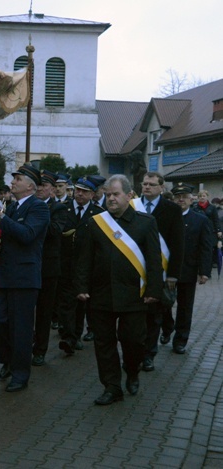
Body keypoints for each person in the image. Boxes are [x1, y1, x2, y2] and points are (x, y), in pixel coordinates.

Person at [75, 175, 163, 405]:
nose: (111, 199)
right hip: (101, 294)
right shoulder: (96, 223)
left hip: (135, 295)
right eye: (108, 194)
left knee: (134, 341)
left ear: (129, 195)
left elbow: (154, 260)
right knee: (104, 343)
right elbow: (84, 259)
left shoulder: (146, 222)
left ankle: (132, 370)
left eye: (115, 194)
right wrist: (82, 287)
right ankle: (112, 387)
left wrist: (154, 289)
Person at [0, 165, 50, 391]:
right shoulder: (12, 208)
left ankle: (20, 374)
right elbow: (10, 239)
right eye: (13, 179)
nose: (13, 183)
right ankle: (8, 360)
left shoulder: (39, 208)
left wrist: (1, 217)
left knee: (21, 327)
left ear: (30, 185)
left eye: (18, 179)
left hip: (24, 276)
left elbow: (27, 235)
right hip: (6, 274)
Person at [131, 172, 184, 373]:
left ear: (161, 187)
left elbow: (178, 244)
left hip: (158, 271)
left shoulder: (172, 209)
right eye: (144, 183)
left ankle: (149, 355)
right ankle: (134, 353)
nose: (146, 187)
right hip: (135, 267)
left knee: (154, 315)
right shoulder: (132, 206)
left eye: (152, 184)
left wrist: (172, 274)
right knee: (135, 315)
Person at [161, 183, 212, 354]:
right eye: (177, 196)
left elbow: (205, 247)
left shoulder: (201, 220)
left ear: (192, 199)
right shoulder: (164, 217)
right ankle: (167, 328)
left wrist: (204, 271)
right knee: (163, 305)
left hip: (187, 271)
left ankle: (180, 340)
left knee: (184, 307)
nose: (180, 199)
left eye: (184, 197)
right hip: (165, 270)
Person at [57, 177, 104, 355]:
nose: (80, 194)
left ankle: (75, 335)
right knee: (66, 303)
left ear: (92, 194)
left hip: (87, 268)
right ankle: (68, 336)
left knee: (81, 303)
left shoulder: (98, 213)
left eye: (84, 191)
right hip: (66, 264)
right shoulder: (64, 209)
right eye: (78, 190)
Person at [31, 170, 68, 366]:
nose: (39, 189)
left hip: (48, 267)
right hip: (29, 266)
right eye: (37, 185)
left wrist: (37, 220)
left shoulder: (58, 209)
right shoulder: (29, 206)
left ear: (53, 189)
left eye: (44, 186)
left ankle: (40, 350)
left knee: (44, 312)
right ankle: (27, 343)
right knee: (27, 310)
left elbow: (55, 231)